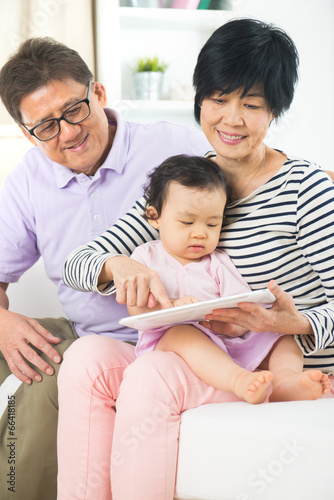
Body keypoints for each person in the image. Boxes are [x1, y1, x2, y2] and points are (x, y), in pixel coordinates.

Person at [58, 18, 334, 500]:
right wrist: (117, 266)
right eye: (218, 100)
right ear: (200, 99)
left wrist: (291, 324)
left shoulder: (306, 191)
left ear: (274, 112)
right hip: (202, 353)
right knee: (86, 358)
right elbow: (77, 261)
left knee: (152, 374)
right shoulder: (185, 185)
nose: (231, 119)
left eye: (252, 105)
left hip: (270, 358)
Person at [0, 37, 211, 500]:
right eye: (46, 127)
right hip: (91, 337)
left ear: (98, 93)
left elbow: (261, 178)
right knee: (21, 365)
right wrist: (3, 321)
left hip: (187, 334)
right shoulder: (26, 183)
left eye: (74, 109)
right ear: (25, 132)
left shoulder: (173, 146)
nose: (68, 133)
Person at [129, 154, 330, 403]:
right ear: (154, 216)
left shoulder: (217, 261)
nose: (200, 233)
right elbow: (135, 309)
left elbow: (239, 303)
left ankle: (285, 382)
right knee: (182, 333)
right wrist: (170, 307)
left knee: (281, 335)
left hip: (225, 338)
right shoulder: (144, 257)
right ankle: (239, 380)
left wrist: (235, 325)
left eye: (213, 224)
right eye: (187, 222)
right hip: (173, 341)